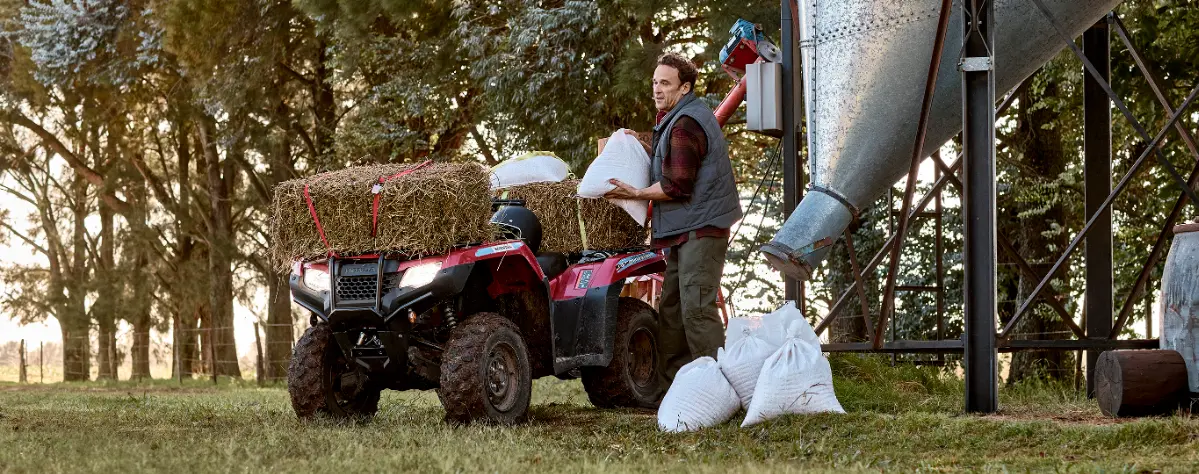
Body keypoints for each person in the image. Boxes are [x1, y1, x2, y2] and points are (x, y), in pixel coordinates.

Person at [604, 52, 743, 381]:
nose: (657, 88)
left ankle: (716, 387)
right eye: (655, 82)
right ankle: (677, 388)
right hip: (686, 229)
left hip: (701, 230)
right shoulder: (675, 118)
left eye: (665, 83)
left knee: (695, 308)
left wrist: (635, 194)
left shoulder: (684, 124)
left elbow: (677, 185)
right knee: (671, 310)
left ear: (684, 88)